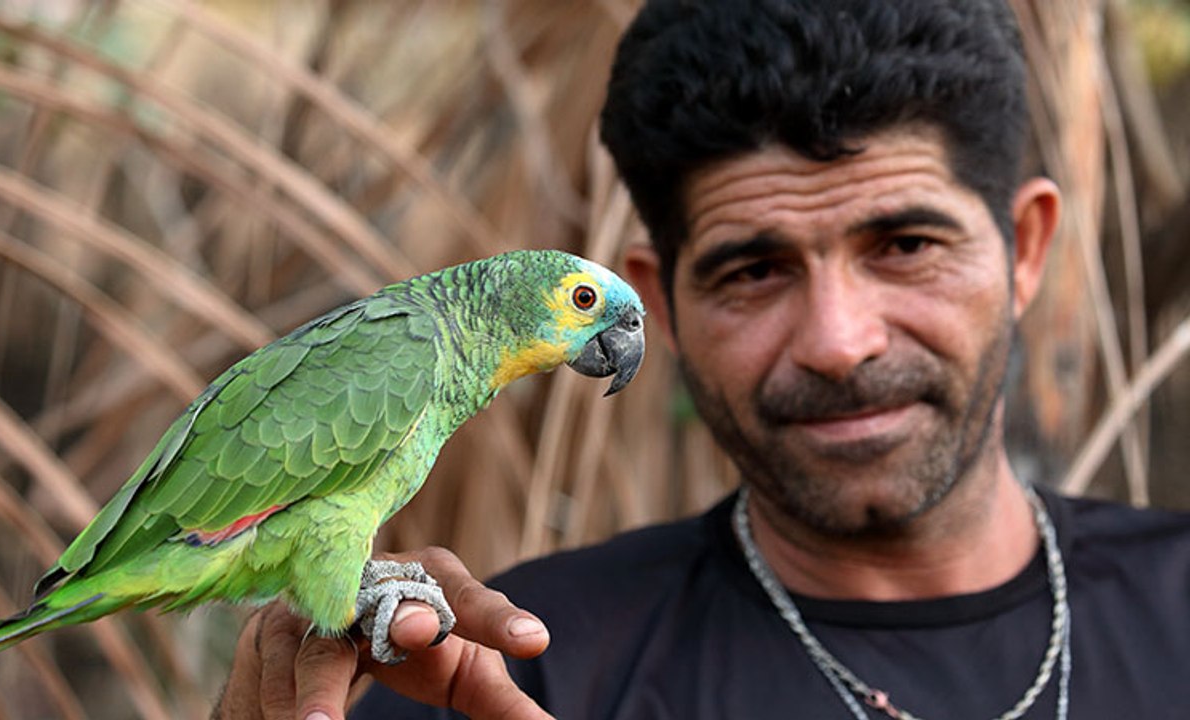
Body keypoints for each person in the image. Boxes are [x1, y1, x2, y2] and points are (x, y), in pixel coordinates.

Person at [213, 1, 1190, 718]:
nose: (837, 341)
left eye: (904, 247)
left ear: (1022, 250)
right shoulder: (496, 674)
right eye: (752, 270)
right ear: (662, 302)